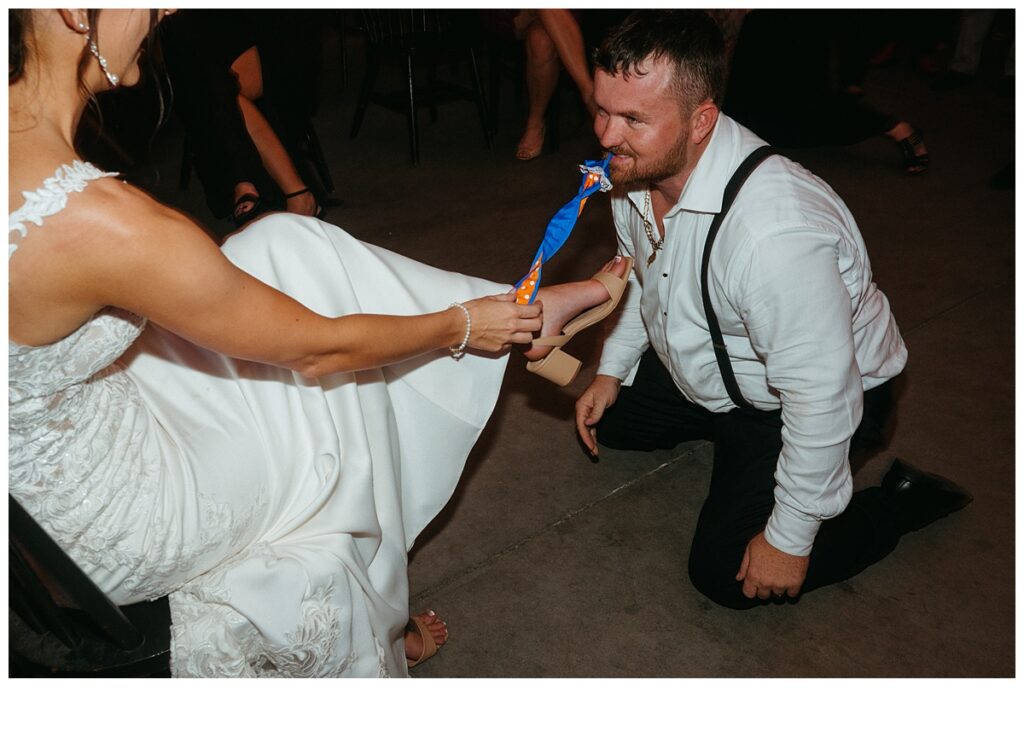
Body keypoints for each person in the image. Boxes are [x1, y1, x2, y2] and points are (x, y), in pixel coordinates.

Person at [8, 8, 625, 676]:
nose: (170, 10)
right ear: (73, 9)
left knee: (282, 243)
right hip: (113, 520)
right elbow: (318, 348)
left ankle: (518, 307)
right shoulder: (105, 224)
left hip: (49, 462)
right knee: (328, 428)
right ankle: (374, 620)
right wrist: (464, 328)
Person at [573, 10, 971, 610]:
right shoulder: (636, 172)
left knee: (725, 573)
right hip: (727, 367)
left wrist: (790, 538)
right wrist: (611, 368)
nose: (606, 136)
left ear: (701, 120)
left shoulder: (773, 235)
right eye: (601, 109)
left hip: (811, 401)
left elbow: (821, 395)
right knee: (612, 415)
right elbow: (642, 280)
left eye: (632, 118)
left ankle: (903, 500)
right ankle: (726, 441)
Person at [159, 10, 327, 226]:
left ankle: (245, 183)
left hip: (266, 31)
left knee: (208, 82)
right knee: (202, 69)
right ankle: (293, 192)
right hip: (201, 40)